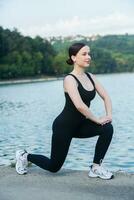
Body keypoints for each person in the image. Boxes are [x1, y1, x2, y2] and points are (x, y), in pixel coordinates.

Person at [16, 42, 114, 180]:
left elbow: (106, 96)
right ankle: (24, 156)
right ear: (74, 57)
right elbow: (79, 105)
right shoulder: (69, 79)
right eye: (84, 54)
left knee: (107, 128)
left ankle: (96, 167)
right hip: (64, 127)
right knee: (54, 167)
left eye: (89, 53)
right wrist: (98, 120)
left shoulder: (91, 77)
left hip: (80, 125)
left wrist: (108, 115)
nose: (88, 57)